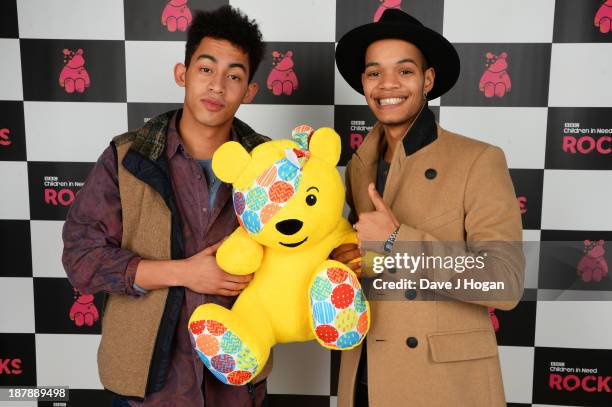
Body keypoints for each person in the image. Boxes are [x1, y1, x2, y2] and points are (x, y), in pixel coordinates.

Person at [62, 6, 272, 406]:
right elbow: (81, 256)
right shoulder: (128, 157)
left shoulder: (271, 165)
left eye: (234, 76)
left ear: (249, 92)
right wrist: (185, 273)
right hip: (147, 387)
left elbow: (296, 245)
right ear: (183, 73)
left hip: (236, 385)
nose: (217, 86)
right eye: (206, 69)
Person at [331, 9, 525, 407]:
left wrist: (397, 242)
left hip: (441, 383)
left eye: (404, 71)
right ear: (364, 84)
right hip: (366, 374)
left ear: (428, 80)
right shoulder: (358, 166)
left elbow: (504, 282)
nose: (388, 84)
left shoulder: (478, 159)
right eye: (374, 73)